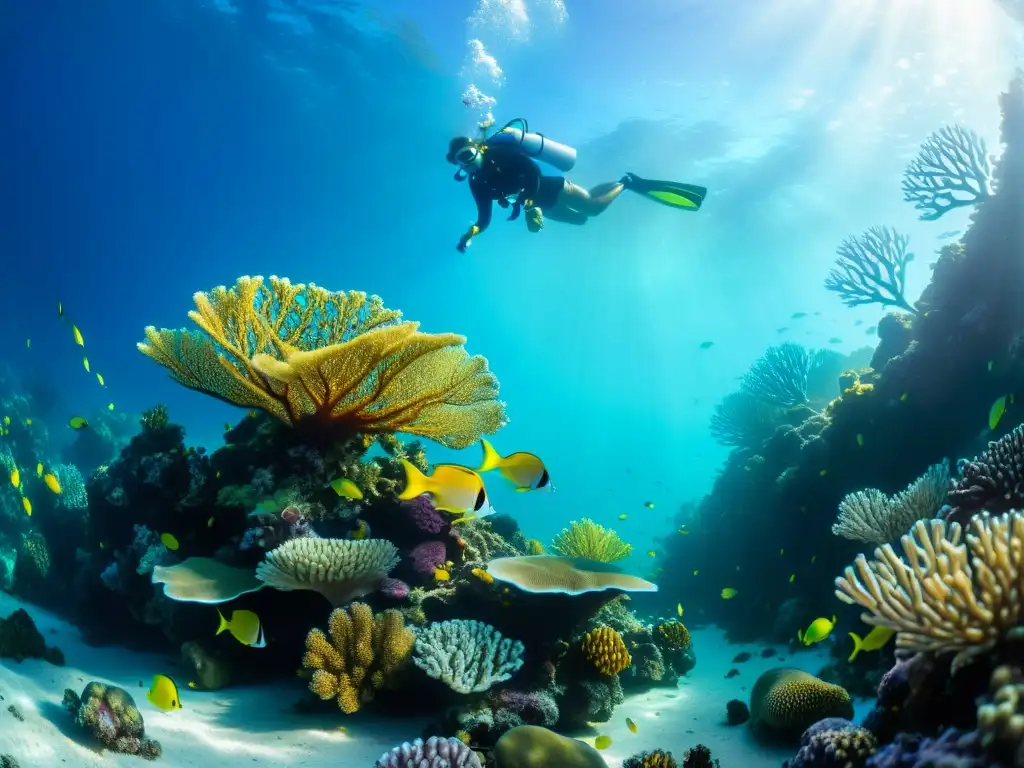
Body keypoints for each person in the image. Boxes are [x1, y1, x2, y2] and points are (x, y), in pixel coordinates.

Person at [447, 120, 707, 253]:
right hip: (541, 206)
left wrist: (527, 205)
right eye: (461, 163)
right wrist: (469, 234)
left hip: (552, 188)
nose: (468, 165)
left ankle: (626, 182)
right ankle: (614, 185)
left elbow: (532, 172)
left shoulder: (500, 155)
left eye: (469, 156)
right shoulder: (476, 183)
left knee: (593, 209)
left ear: (479, 149)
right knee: (582, 220)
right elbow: (484, 219)